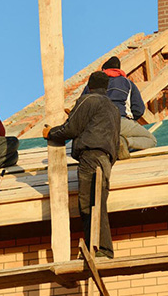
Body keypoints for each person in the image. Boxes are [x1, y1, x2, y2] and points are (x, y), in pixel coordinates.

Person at [43, 71, 120, 258]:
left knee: (88, 204)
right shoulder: (113, 109)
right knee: (98, 202)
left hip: (90, 156)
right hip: (106, 159)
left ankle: (98, 249)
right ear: (107, 88)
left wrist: (50, 133)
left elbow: (71, 128)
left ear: (90, 85)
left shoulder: (88, 100)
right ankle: (101, 248)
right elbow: (116, 142)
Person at [83, 56, 157, 159]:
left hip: (95, 126)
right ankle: (125, 142)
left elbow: (82, 106)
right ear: (119, 70)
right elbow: (138, 109)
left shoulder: (91, 85)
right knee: (151, 140)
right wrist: (130, 121)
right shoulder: (127, 83)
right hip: (119, 121)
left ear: (103, 70)